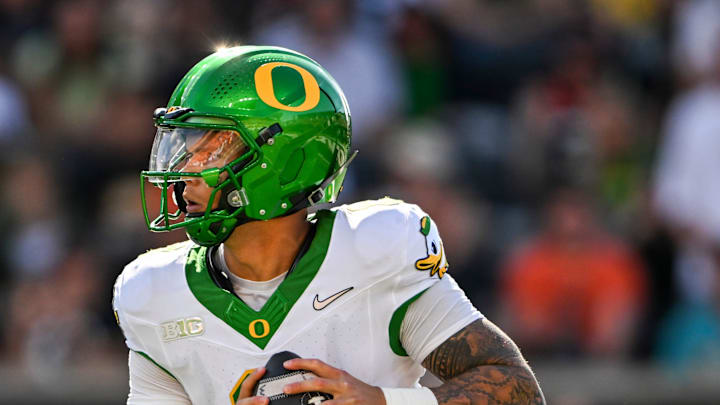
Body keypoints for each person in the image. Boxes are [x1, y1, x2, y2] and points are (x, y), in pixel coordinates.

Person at [112, 45, 545, 405]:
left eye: (212, 147)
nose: (185, 169)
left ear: (281, 161)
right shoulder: (154, 294)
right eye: (185, 146)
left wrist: (381, 401)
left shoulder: (377, 251)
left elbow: (517, 389)